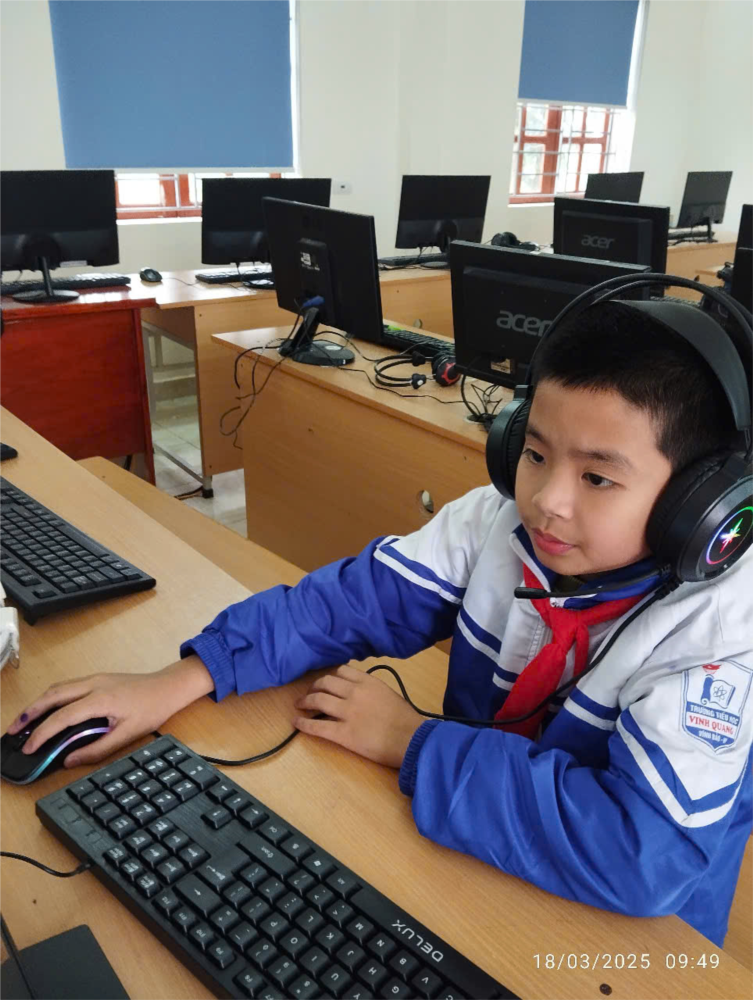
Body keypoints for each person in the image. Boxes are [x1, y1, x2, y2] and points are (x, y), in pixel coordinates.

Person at [7, 299, 753, 948]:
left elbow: (640, 854)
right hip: (478, 844)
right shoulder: (499, 524)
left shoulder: (720, 637)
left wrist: (410, 741)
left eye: (596, 476)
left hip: (631, 936)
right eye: (533, 452)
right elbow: (345, 605)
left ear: (701, 503)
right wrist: (181, 678)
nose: (546, 501)